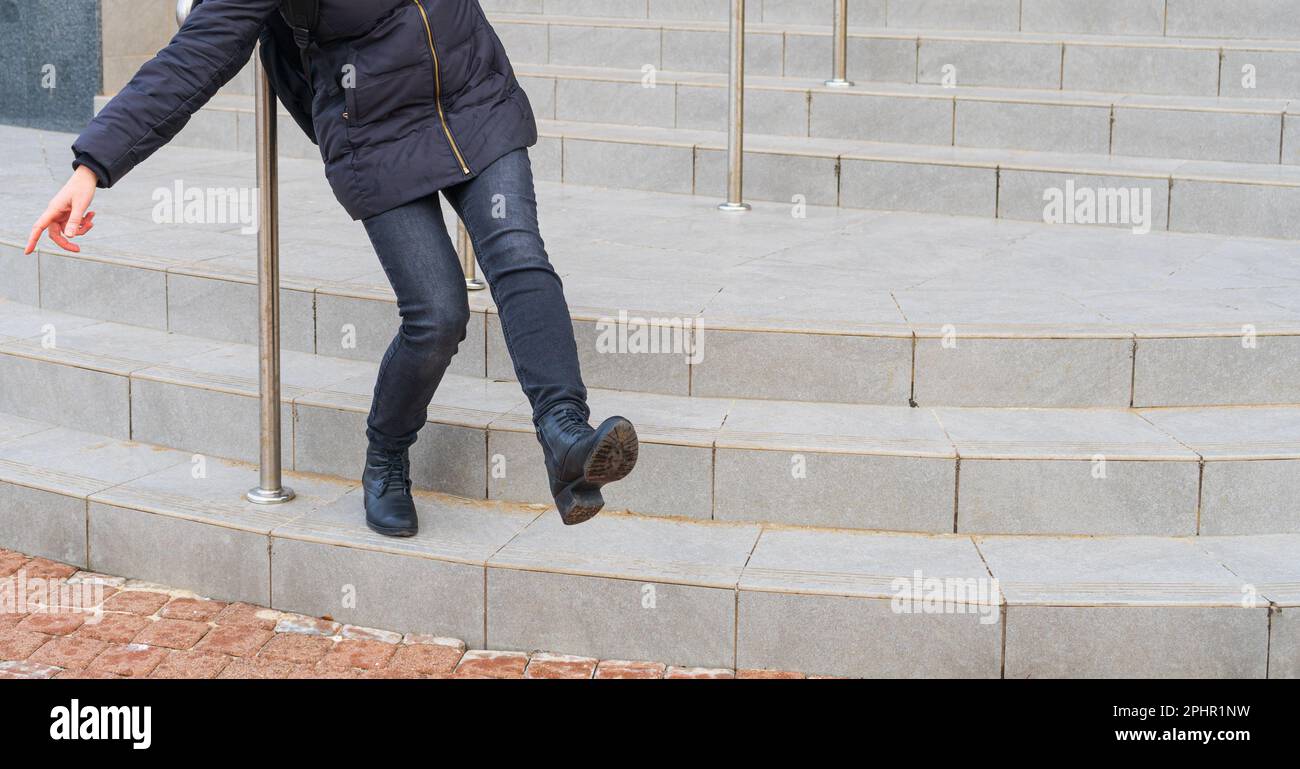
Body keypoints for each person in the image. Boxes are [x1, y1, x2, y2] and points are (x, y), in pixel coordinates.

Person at [24, 0, 639, 536]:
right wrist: (92, 166)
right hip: (373, 133)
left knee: (518, 253)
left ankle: (564, 433)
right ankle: (387, 452)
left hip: (476, 95)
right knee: (438, 314)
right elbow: (197, 54)